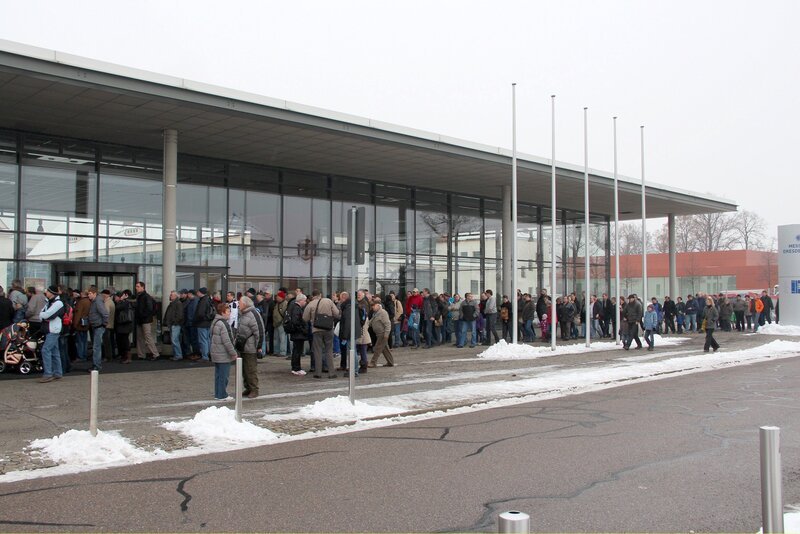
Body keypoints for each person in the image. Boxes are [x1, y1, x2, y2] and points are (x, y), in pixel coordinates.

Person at [303, 289, 340, 379]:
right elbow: (337, 314)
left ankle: (318, 372)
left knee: (317, 351)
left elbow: (305, 318)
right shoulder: (328, 301)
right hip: (328, 329)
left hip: (316, 330)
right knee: (329, 350)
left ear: (313, 296)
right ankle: (331, 372)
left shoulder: (310, 304)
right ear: (320, 294)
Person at [237, 295, 264, 398]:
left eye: (240, 303)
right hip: (243, 346)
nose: (238, 304)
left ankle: (254, 389)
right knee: (244, 369)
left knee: (250, 369)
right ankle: (248, 388)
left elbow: (259, 331)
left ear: (245, 304)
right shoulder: (243, 313)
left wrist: (259, 346)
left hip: (251, 347)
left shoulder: (253, 314)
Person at [210, 302, 237, 400]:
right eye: (228, 311)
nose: (230, 313)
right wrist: (233, 353)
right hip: (222, 354)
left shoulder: (215, 322)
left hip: (216, 352)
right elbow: (227, 341)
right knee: (223, 376)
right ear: (223, 312)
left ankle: (218, 393)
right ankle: (222, 394)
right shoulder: (223, 324)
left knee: (218, 375)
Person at [38, 285, 65, 383]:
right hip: (52, 329)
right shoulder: (51, 302)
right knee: (54, 351)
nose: (46, 292)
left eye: (48, 291)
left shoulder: (57, 303)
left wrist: (43, 315)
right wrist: (43, 315)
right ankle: (58, 372)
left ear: (52, 293)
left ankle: (48, 374)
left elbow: (45, 314)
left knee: (45, 350)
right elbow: (43, 315)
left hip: (53, 330)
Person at [134, 281, 160, 361]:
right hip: (141, 320)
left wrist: (142, 316)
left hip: (145, 320)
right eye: (136, 286)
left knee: (147, 337)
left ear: (143, 287)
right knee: (140, 338)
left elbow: (149, 309)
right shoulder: (140, 296)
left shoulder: (146, 297)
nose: (136, 288)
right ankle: (141, 355)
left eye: (138, 286)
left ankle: (155, 354)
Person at [285, 293, 308, 376]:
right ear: (301, 300)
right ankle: (296, 368)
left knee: (296, 350)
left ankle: (295, 367)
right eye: (304, 301)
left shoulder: (293, 307)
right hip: (298, 333)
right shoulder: (297, 308)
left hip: (295, 333)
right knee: (297, 351)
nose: (305, 302)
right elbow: (296, 321)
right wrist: (303, 330)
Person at [87, 286, 109, 372]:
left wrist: (104, 324)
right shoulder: (95, 301)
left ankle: (97, 365)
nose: (88, 295)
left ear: (94, 293)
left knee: (96, 347)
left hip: (99, 326)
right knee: (96, 346)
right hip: (96, 325)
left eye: (90, 293)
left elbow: (105, 313)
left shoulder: (97, 302)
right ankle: (96, 364)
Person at [368, 298, 394, 367]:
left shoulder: (383, 313)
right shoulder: (375, 313)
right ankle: (390, 362)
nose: (372, 307)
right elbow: (370, 322)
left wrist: (386, 334)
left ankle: (373, 362)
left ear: (378, 305)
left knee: (377, 348)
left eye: (373, 306)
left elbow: (388, 324)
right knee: (385, 349)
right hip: (379, 334)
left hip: (382, 334)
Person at [193, 287, 214, 361]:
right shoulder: (208, 299)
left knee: (203, 340)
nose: (197, 293)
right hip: (208, 322)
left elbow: (200, 313)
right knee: (207, 339)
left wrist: (196, 320)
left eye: (198, 292)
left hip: (202, 323)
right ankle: (208, 354)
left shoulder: (202, 301)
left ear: (200, 292)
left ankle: (205, 356)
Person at [163, 290, 185, 361]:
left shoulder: (178, 303)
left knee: (175, 340)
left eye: (171, 295)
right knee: (173, 340)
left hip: (175, 324)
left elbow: (180, 315)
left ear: (176, 296)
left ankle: (178, 355)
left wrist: (174, 322)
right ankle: (176, 355)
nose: (170, 296)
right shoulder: (172, 304)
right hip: (172, 324)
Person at [115, 290, 134, 364]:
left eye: (116, 297)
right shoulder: (123, 302)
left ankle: (128, 357)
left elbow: (118, 308)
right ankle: (124, 356)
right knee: (122, 341)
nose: (115, 298)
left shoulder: (125, 302)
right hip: (122, 325)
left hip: (125, 324)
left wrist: (121, 300)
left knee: (125, 341)